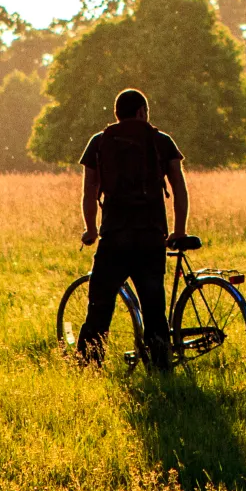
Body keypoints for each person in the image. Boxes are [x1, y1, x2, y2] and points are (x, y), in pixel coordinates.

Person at [77, 88, 188, 367]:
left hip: (115, 237)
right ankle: (161, 370)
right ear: (141, 112)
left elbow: (89, 192)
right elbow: (179, 189)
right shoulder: (161, 141)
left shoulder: (99, 142)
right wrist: (179, 230)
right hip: (151, 237)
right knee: (154, 308)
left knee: (100, 307)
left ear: (117, 113)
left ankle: (89, 367)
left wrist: (91, 229)